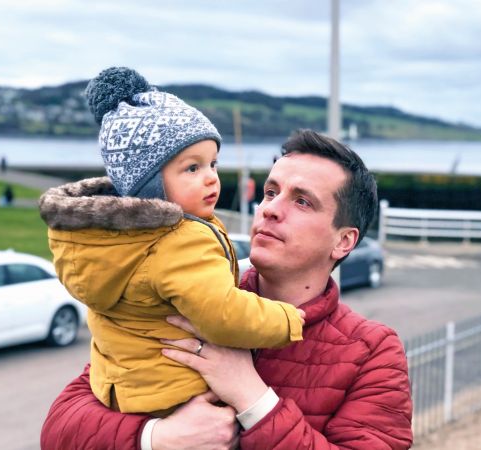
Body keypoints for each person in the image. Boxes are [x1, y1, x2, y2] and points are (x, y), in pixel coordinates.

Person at [41, 129, 413, 449]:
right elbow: (59, 428)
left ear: (344, 242)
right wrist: (156, 438)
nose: (269, 210)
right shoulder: (187, 293)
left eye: (301, 201)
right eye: (270, 192)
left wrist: (252, 397)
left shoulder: (373, 353)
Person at [37, 67, 304, 417]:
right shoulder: (179, 241)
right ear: (150, 186)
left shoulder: (110, 239)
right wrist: (286, 321)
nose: (211, 178)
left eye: (213, 163)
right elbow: (221, 314)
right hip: (179, 392)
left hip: (125, 391)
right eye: (192, 168)